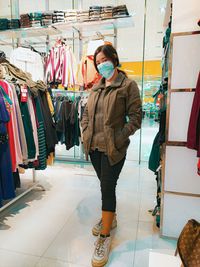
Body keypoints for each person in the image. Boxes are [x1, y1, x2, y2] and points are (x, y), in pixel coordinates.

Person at [81, 44, 142, 267]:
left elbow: (136, 118)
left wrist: (118, 138)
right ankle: (111, 217)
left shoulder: (127, 86)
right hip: (94, 148)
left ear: (114, 59)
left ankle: (104, 237)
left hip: (113, 148)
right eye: (97, 62)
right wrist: (85, 131)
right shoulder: (96, 87)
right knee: (104, 184)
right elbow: (86, 114)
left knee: (107, 187)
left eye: (104, 60)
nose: (101, 65)